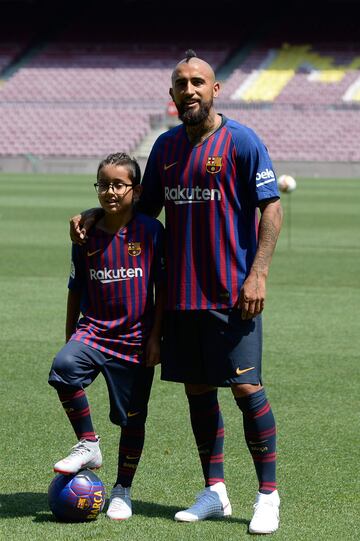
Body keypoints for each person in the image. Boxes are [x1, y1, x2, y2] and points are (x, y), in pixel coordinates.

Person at [70, 50, 283, 535]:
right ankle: (216, 491)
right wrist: (94, 215)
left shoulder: (243, 142)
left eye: (198, 82)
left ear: (215, 90)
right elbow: (141, 212)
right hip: (182, 296)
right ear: (171, 95)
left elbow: (270, 209)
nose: (189, 90)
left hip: (233, 293)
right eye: (181, 84)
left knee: (248, 390)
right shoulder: (166, 148)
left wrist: (259, 273)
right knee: (199, 393)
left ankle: (268, 495)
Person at [49, 152, 164, 521]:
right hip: (94, 331)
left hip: (135, 339)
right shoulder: (85, 232)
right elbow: (74, 286)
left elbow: (163, 290)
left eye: (118, 184)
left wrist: (156, 338)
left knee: (132, 419)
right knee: (63, 366)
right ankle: (89, 443)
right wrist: (71, 335)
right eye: (103, 184)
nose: (110, 191)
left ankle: (122, 490)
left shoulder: (150, 231)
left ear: (137, 189)